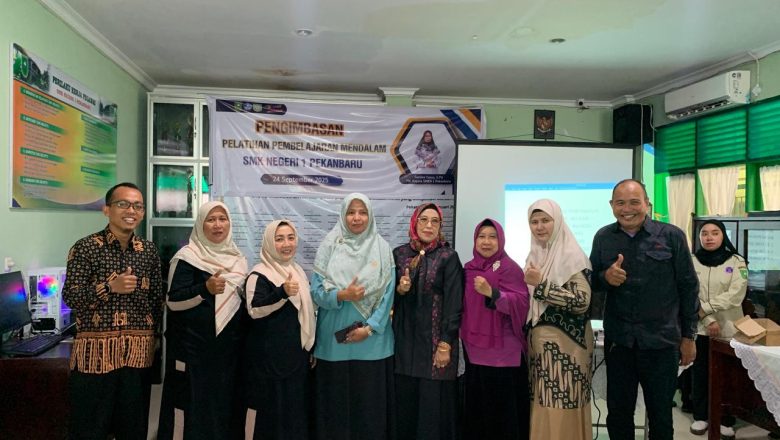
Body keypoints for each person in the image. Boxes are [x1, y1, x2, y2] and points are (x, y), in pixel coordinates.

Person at [590, 179, 699, 440]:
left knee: (661, 414)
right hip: (620, 343)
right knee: (618, 413)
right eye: (620, 203)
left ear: (647, 204)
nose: (627, 209)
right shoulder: (604, 237)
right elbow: (591, 280)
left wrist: (689, 337)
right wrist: (606, 277)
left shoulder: (672, 236)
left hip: (661, 343)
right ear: (611, 205)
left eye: (634, 202)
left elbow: (688, 287)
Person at [63, 182, 163, 440]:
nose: (131, 210)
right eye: (123, 204)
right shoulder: (85, 247)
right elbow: (71, 297)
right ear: (106, 210)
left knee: (133, 429)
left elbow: (156, 300)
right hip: (96, 358)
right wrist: (109, 287)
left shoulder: (148, 251)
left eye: (138, 206)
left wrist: (156, 341)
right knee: (89, 430)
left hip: (136, 357)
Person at [157, 201, 248, 440]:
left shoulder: (238, 260)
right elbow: (173, 301)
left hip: (226, 353)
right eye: (211, 219)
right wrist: (205, 288)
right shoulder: (187, 257)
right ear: (200, 224)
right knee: (192, 409)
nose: (218, 225)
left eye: (222, 219)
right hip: (193, 353)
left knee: (223, 407)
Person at [311, 193, 396, 440]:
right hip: (333, 344)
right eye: (351, 212)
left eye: (362, 212)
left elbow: (388, 296)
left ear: (370, 215)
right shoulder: (329, 246)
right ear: (342, 214)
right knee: (334, 414)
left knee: (369, 414)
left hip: (373, 345)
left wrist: (369, 329)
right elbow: (316, 292)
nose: (356, 218)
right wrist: (341, 295)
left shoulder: (382, 249)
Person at [392, 203, 464, 439]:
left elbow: (455, 304)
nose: (429, 225)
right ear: (415, 222)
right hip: (405, 347)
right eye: (424, 220)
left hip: (435, 348)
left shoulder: (448, 257)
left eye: (435, 221)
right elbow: (388, 300)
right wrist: (400, 291)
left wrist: (445, 344)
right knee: (406, 409)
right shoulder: (400, 254)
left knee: (432, 412)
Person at [524, 199, 593, 440]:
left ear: (558, 221)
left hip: (566, 350)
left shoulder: (572, 256)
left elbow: (581, 301)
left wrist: (541, 286)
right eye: (534, 221)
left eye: (545, 220)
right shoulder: (537, 254)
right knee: (544, 406)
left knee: (563, 406)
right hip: (541, 350)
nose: (539, 227)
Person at [244, 219, 316, 439]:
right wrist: (282, 293)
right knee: (272, 417)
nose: (286, 244)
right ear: (268, 242)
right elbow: (254, 309)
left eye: (291, 238)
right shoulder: (259, 274)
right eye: (279, 239)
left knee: (295, 414)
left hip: (297, 358)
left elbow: (307, 313)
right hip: (270, 362)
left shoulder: (297, 271)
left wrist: (311, 347)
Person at [461, 218, 530, 440]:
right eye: (482, 236)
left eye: (493, 237)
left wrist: (493, 293)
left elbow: (522, 302)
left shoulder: (510, 268)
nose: (487, 242)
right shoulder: (468, 269)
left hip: (504, 355)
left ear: (501, 240)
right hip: (474, 351)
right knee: (478, 413)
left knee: (504, 415)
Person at [688, 220, 747, 438]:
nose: (709, 237)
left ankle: (726, 417)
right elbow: (691, 292)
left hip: (729, 329)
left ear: (723, 236)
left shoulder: (737, 261)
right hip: (701, 328)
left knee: (727, 375)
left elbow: (736, 294)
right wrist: (708, 319)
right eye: (704, 233)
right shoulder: (692, 261)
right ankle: (701, 416)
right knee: (701, 372)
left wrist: (707, 309)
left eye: (715, 233)